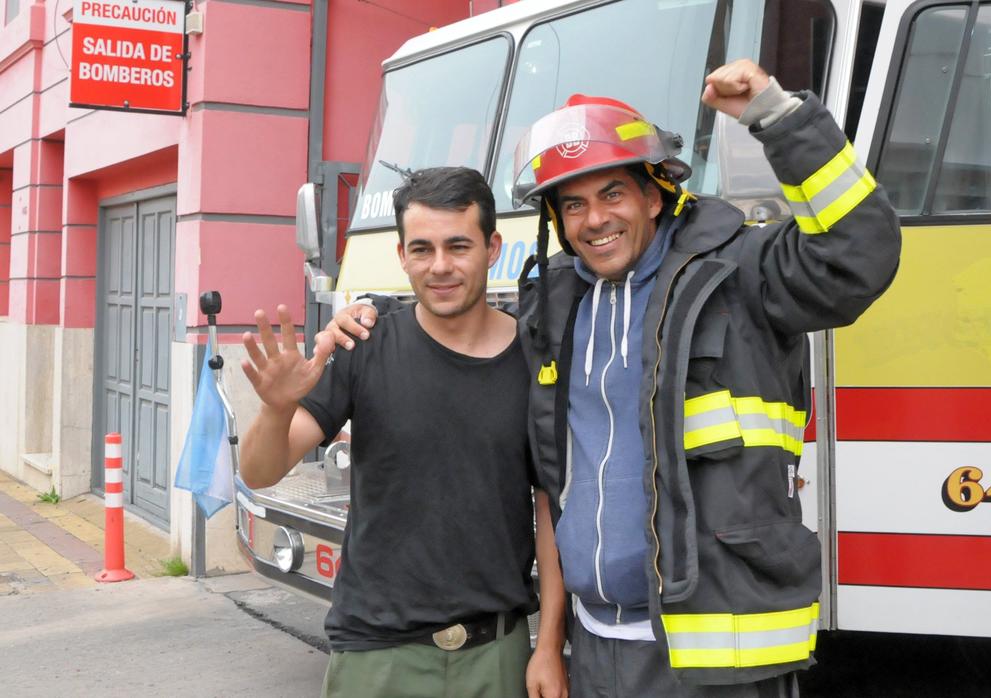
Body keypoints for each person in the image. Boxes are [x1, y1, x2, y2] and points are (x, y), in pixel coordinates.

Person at [327, 60, 901, 696]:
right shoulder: (556, 306)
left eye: (612, 195)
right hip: (596, 647)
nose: (594, 219)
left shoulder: (740, 275)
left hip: (717, 653)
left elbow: (857, 256)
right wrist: (374, 316)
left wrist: (780, 118)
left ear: (654, 196)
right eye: (573, 204)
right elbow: (462, 320)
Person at [238, 167, 568, 698]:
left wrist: (548, 643)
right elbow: (259, 470)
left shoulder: (536, 362)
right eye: (422, 249)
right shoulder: (361, 345)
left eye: (458, 246)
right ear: (401, 256)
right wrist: (276, 410)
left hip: (497, 655)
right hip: (376, 658)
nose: (440, 267)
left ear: (493, 246)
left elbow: (550, 507)